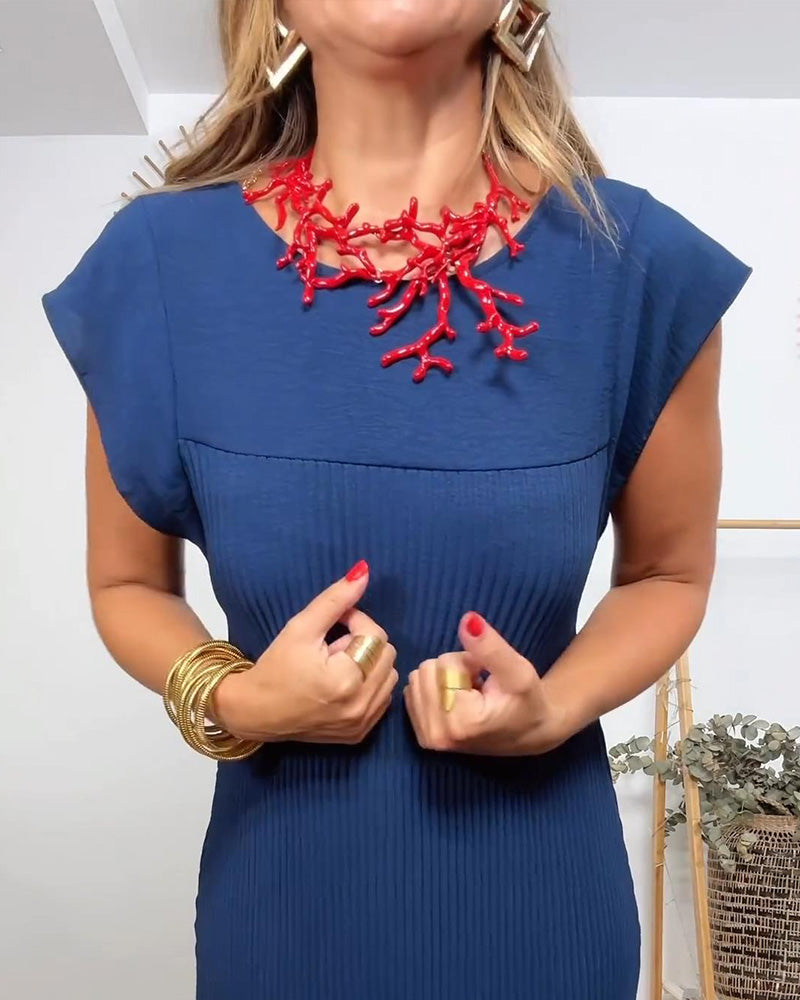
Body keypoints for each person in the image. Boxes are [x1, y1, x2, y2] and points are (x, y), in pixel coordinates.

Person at [40, 1, 753, 997]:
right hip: (283, 917)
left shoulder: (638, 265)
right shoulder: (153, 265)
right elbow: (127, 584)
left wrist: (552, 710)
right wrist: (239, 700)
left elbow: (667, 574)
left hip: (542, 914)